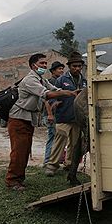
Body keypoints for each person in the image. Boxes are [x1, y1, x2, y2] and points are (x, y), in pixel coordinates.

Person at [5, 53, 77, 191]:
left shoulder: (41, 79)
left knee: (25, 150)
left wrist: (72, 92)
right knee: (19, 151)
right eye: (42, 63)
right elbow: (46, 94)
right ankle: (12, 180)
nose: (45, 66)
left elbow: (54, 89)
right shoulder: (30, 80)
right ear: (33, 65)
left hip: (27, 119)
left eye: (45, 63)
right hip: (19, 118)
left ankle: (19, 179)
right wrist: (68, 93)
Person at [45, 51, 87, 181]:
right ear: (69, 66)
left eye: (79, 66)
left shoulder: (84, 81)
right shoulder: (61, 80)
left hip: (78, 118)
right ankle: (52, 166)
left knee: (75, 144)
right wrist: (53, 104)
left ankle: (69, 165)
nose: (77, 68)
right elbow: (51, 95)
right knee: (60, 141)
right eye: (74, 66)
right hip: (63, 116)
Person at [42, 61, 65, 166]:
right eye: (59, 69)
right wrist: (50, 114)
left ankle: (56, 160)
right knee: (52, 137)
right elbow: (46, 99)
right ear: (53, 71)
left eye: (62, 69)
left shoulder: (59, 81)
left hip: (58, 114)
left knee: (58, 138)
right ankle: (47, 161)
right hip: (51, 114)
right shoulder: (51, 81)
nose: (61, 71)